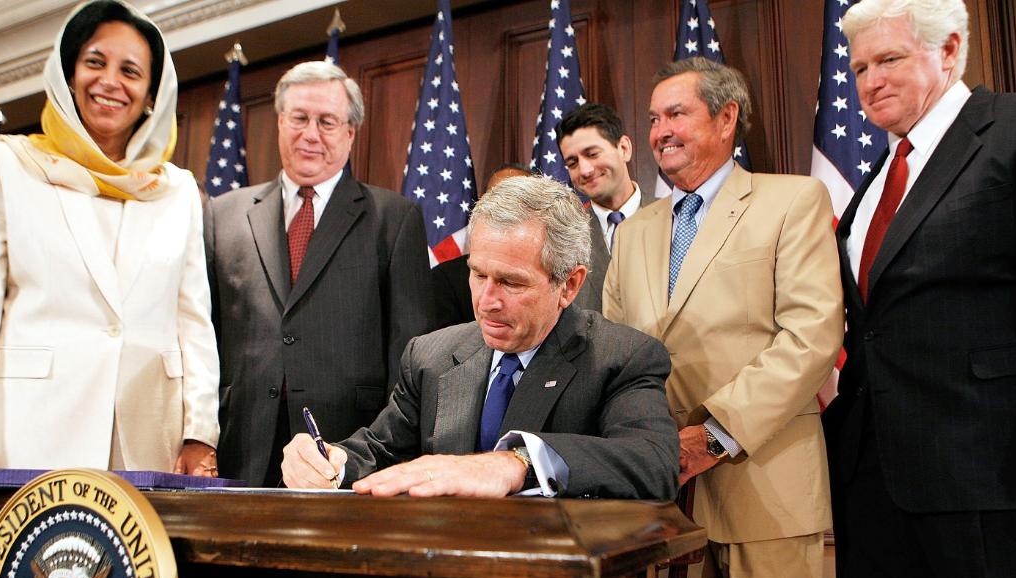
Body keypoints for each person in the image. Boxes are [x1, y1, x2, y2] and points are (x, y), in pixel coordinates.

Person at [0, 0, 219, 475]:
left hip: (149, 446)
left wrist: (199, 434)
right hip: (29, 441)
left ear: (152, 95)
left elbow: (193, 323)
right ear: (68, 75)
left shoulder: (177, 190)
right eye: (95, 62)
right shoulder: (2, 165)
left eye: (130, 71)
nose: (110, 81)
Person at [604, 57, 843, 578]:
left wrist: (713, 437)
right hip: (661, 498)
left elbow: (811, 336)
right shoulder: (633, 232)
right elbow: (612, 353)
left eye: (676, 114)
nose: (660, 131)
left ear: (726, 117)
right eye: (654, 117)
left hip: (766, 489)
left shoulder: (793, 201)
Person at [281, 175, 680, 500]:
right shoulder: (430, 356)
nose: (486, 301)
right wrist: (330, 460)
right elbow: (382, 451)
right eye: (478, 275)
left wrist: (517, 463)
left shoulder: (623, 357)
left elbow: (653, 462)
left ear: (569, 285)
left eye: (510, 282)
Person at [825, 0, 1016, 578]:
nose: (870, 81)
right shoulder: (880, 175)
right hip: (873, 479)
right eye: (859, 68)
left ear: (948, 51)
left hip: (988, 472)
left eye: (888, 59)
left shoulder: (1014, 133)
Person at [206, 61, 439, 486]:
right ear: (279, 122)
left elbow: (409, 353)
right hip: (240, 444)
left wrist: (389, 453)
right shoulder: (223, 215)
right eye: (299, 118)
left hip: (348, 447)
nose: (310, 134)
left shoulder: (394, 218)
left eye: (327, 122)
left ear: (350, 132)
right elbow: (205, 335)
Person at [557, 103, 652, 312]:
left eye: (592, 154)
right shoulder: (563, 235)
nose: (585, 170)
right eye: (572, 163)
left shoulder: (674, 218)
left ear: (624, 149)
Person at [431, 163, 531, 327]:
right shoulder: (444, 280)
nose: (506, 209)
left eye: (518, 199)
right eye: (498, 198)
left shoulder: (552, 272)